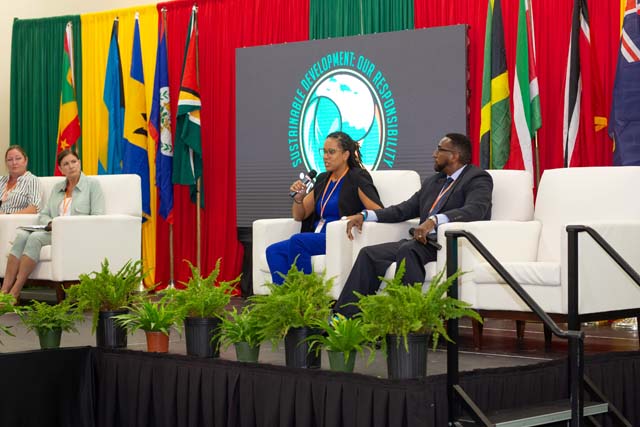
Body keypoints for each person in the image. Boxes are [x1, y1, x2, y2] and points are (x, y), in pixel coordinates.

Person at [334, 133, 493, 317]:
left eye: (439, 150)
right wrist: (366, 215)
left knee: (408, 249)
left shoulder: (477, 178)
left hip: (448, 244)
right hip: (421, 242)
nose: (434, 154)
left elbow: (476, 209)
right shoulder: (434, 181)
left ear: (454, 155)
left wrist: (434, 220)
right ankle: (344, 320)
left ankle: (405, 319)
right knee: (369, 254)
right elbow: (403, 209)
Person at [266, 131, 383, 284]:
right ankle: (285, 296)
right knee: (273, 251)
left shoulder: (357, 177)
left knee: (298, 241)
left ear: (345, 155)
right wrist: (299, 199)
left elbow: (379, 211)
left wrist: (360, 216)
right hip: (317, 236)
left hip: (338, 236)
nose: (325, 157)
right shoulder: (323, 179)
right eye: (324, 152)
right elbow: (299, 216)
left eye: (331, 152)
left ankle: (306, 293)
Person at [0, 149, 105, 299]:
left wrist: (65, 225)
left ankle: (15, 291)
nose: (71, 166)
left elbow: (97, 216)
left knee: (35, 238)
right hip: (53, 231)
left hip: (76, 232)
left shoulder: (92, 185)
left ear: (79, 163)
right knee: (22, 234)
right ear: (61, 169)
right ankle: (4, 291)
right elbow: (43, 214)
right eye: (66, 164)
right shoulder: (58, 188)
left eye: (74, 162)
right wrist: (50, 223)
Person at [0, 145, 42, 214]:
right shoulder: (1, 180)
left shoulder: (32, 180)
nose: (14, 163)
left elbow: (34, 208)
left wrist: (9, 217)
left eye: (18, 158)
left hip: (16, 219)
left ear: (26, 160)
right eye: (10, 160)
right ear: (6, 163)